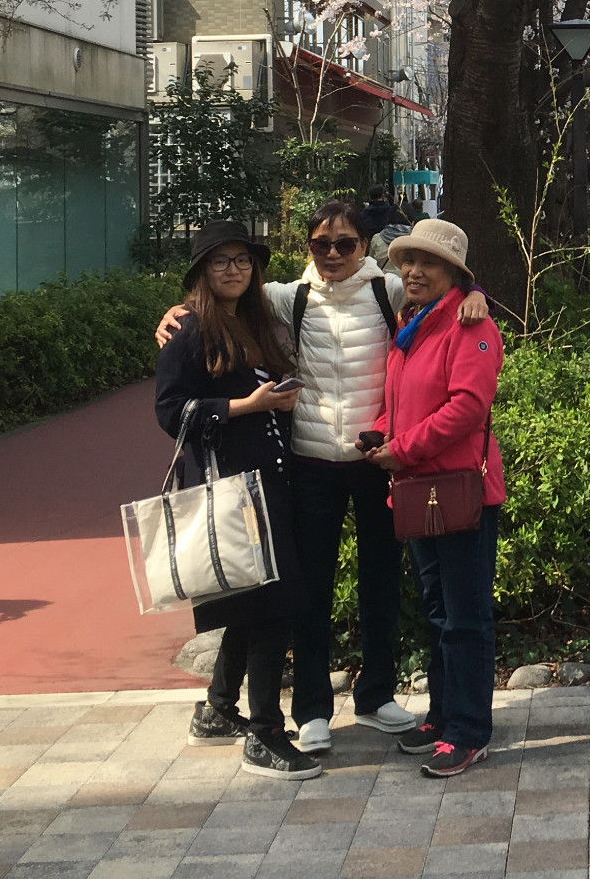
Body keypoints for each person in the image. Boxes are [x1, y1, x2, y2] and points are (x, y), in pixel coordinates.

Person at [156, 204, 489, 754]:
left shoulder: (388, 289)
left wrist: (481, 293)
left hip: (378, 461)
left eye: (346, 243)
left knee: (380, 583)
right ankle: (311, 707)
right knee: (310, 590)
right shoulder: (290, 297)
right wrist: (175, 312)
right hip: (309, 463)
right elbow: (219, 301)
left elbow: (445, 284)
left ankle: (376, 695)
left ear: (366, 246)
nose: (333, 254)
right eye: (321, 244)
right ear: (308, 248)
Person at [152, 221, 319, 780]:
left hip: (271, 485)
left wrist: (279, 403)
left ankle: (220, 710)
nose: (233, 270)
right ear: (201, 272)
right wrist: (245, 406)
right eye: (220, 262)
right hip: (231, 491)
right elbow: (171, 413)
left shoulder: (256, 323)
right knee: (274, 609)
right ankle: (266, 733)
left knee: (256, 605)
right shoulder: (189, 330)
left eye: (242, 260)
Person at [365, 218, 507, 779]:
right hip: (419, 489)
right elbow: (400, 401)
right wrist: (381, 433)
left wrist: (402, 449)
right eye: (408, 262)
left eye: (429, 264)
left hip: (456, 491)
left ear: (455, 275)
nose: (414, 272)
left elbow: (468, 408)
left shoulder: (472, 327)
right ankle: (446, 714)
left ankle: (470, 730)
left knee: (466, 616)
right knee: (439, 610)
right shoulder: (412, 325)